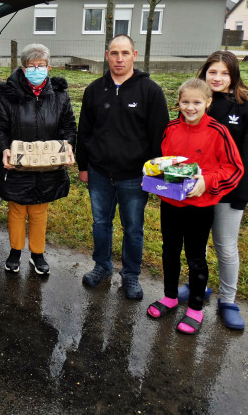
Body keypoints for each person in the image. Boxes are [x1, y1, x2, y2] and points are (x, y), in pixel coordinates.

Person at [146, 78, 244, 335]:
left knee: (195, 256)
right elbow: (164, 163)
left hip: (200, 206)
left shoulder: (218, 131)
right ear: (178, 102)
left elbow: (234, 168)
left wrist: (207, 181)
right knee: (169, 250)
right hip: (170, 202)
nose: (190, 108)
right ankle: (169, 296)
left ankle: (196, 309)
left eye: (196, 103)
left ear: (208, 103)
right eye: (185, 102)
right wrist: (156, 177)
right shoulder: (170, 128)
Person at [77, 35, 169, 299]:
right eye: (114, 53)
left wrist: (156, 176)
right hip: (99, 172)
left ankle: (130, 275)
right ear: (107, 55)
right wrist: (83, 165)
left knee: (133, 228)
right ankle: (102, 266)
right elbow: (84, 131)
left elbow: (159, 137)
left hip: (134, 177)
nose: (119, 58)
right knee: (100, 223)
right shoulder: (94, 89)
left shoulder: (150, 91)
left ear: (134, 55)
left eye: (125, 53)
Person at [175, 51, 248, 330]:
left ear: (233, 75)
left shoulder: (246, 104)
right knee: (196, 243)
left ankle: (228, 300)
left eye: (224, 73)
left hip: (228, 190)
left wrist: (242, 194)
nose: (218, 78)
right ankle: (198, 285)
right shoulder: (196, 100)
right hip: (196, 190)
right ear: (205, 72)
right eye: (213, 71)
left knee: (225, 246)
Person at [0, 44, 77, 275]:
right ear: (23, 68)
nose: (37, 70)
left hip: (47, 166)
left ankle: (37, 254)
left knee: (39, 212)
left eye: (41, 66)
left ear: (49, 67)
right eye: (32, 66)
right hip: (17, 166)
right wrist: (3, 150)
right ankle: (15, 251)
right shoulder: (8, 95)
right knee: (17, 210)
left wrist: (68, 145)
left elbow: (69, 126)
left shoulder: (59, 95)